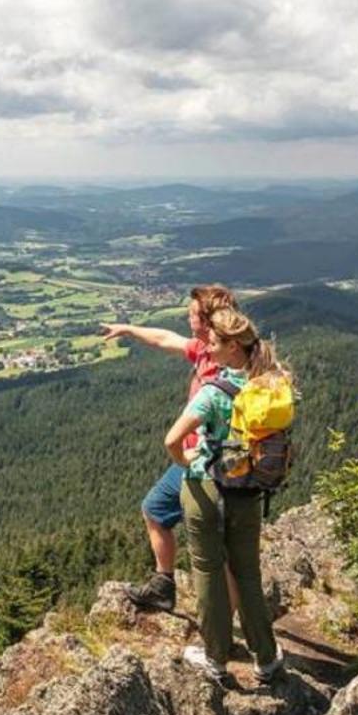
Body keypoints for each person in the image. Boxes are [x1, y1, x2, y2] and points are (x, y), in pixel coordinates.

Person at [163, 307, 290, 684]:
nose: (209, 348)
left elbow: (171, 439)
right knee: (247, 572)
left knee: (208, 570)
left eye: (215, 343)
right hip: (250, 490)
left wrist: (186, 459)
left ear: (233, 345)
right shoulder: (271, 384)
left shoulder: (214, 392)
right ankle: (266, 659)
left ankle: (215, 658)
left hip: (206, 487)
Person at [99, 285, 240, 613]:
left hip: (209, 464)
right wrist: (129, 329)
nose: (186, 316)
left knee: (218, 552)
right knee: (155, 510)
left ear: (207, 320)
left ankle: (225, 630)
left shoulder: (224, 362)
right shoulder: (211, 349)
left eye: (191, 313)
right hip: (200, 461)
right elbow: (165, 339)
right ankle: (166, 585)